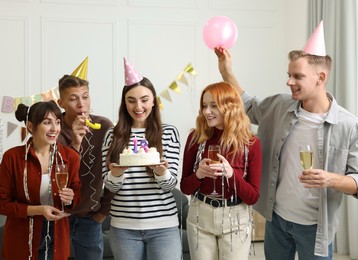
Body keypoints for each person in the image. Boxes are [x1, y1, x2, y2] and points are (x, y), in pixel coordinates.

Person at [215, 20, 358, 259]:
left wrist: (330, 178)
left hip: (315, 227)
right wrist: (226, 72)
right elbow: (249, 106)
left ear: (320, 77)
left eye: (297, 76)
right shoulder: (281, 106)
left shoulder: (348, 125)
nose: (289, 81)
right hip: (277, 220)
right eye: (289, 74)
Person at [101, 58, 182, 260]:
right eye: (131, 100)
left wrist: (161, 172)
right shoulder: (112, 135)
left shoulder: (169, 133)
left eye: (144, 99)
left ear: (154, 100)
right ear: (124, 102)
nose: (138, 106)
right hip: (123, 227)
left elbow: (171, 184)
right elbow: (108, 187)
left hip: (163, 226)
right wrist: (115, 175)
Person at [180, 81, 262, 259]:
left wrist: (232, 175)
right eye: (204, 106)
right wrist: (199, 175)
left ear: (229, 107)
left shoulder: (251, 144)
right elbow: (185, 188)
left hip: (236, 220)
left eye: (213, 106)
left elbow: (252, 197)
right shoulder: (196, 138)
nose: (206, 112)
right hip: (200, 217)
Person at [0, 101, 81, 260]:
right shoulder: (12, 158)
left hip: (57, 235)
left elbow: (77, 193)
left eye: (58, 122)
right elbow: (2, 204)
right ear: (31, 126)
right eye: (47, 122)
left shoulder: (70, 157)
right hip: (21, 237)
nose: (55, 129)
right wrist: (39, 210)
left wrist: (71, 198)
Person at [57, 71, 114, 259]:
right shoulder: (53, 130)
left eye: (85, 97)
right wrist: (75, 143)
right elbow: (56, 173)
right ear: (61, 104)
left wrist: (104, 211)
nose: (81, 104)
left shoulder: (104, 127)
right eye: (73, 99)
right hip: (57, 216)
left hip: (90, 218)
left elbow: (117, 170)